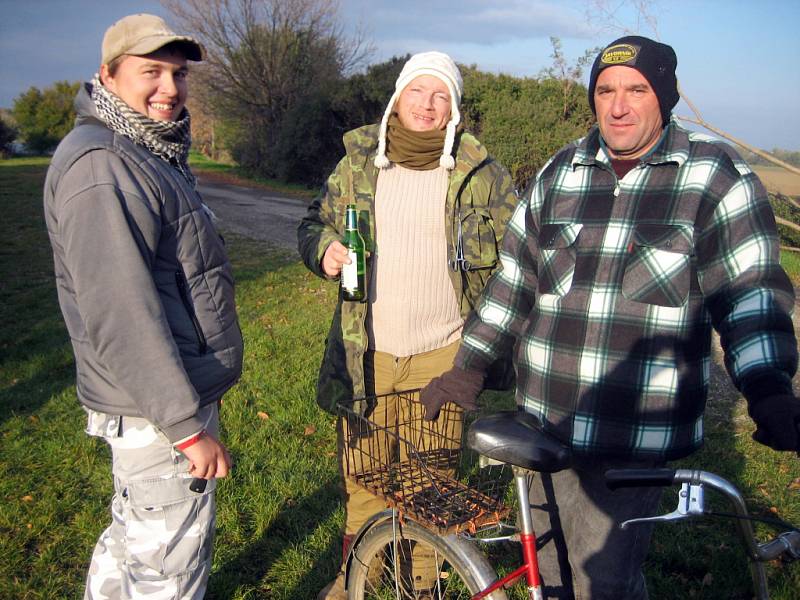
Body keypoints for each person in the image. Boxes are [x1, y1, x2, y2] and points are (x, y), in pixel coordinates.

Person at [422, 35, 800, 599]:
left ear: (665, 97)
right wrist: (470, 367)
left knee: (605, 582)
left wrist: (768, 388)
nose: (618, 105)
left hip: (636, 435)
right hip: (546, 422)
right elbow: (514, 281)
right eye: (605, 90)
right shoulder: (561, 173)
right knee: (550, 576)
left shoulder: (713, 178)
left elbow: (749, 294)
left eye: (636, 89)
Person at [297, 51, 518, 599]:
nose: (427, 105)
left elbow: (521, 252)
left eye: (441, 95)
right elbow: (313, 223)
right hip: (366, 353)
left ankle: (421, 585)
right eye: (417, 91)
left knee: (433, 482)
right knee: (365, 481)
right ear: (398, 97)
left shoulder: (481, 175)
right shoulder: (357, 165)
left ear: (455, 109)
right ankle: (359, 580)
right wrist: (323, 248)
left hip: (443, 353)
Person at [43, 14, 243, 600]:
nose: (169, 88)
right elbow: (120, 313)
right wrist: (184, 428)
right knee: (169, 566)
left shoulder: (145, 149)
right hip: (158, 407)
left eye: (178, 74)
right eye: (150, 71)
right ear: (106, 75)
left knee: (136, 534)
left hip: (159, 394)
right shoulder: (105, 165)